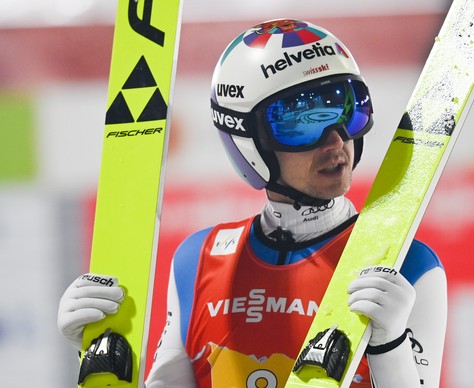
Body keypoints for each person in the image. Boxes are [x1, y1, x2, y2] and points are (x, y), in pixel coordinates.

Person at [58, 19, 447, 387]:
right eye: (301, 122)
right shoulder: (199, 259)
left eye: (348, 108)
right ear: (248, 141)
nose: (335, 141)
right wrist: (97, 351)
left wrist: (389, 347)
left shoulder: (407, 266)